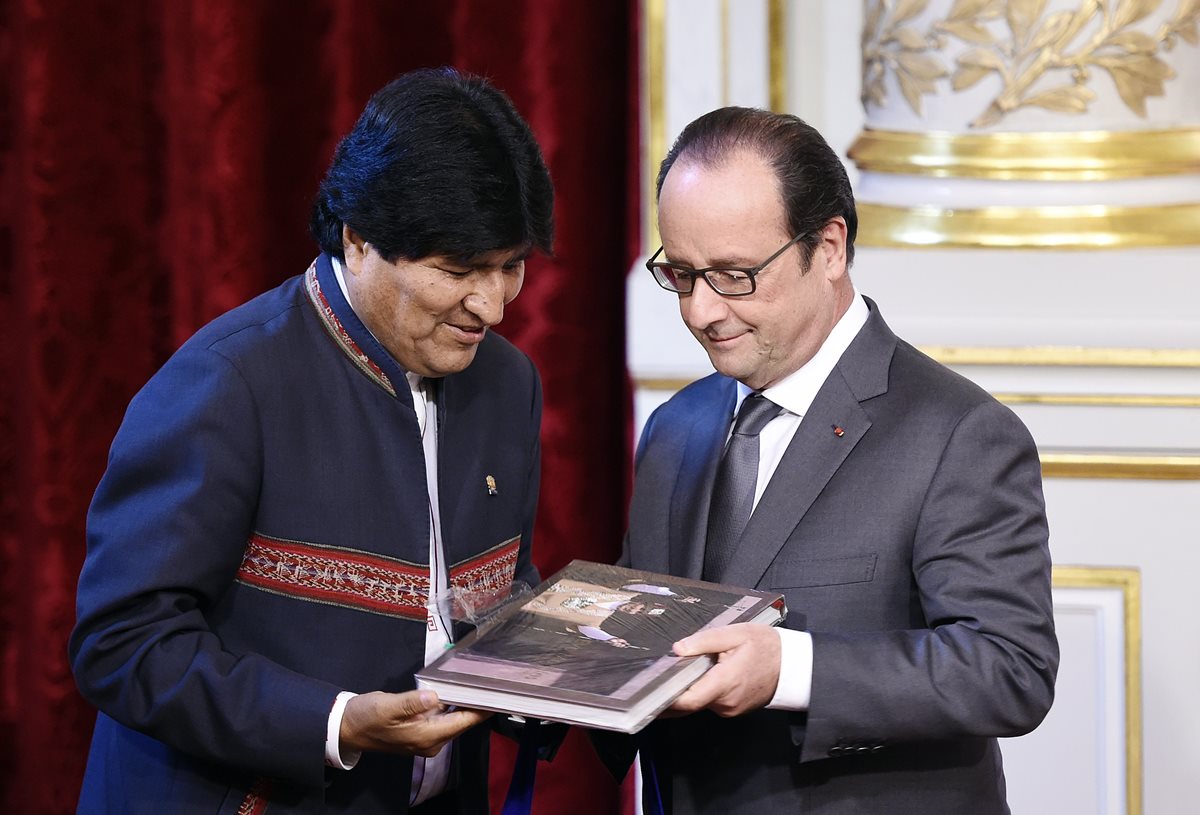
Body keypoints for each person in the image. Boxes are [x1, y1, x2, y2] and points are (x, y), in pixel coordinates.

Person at [69, 67, 553, 815]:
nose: (490, 305)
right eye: (458, 270)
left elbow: (494, 586)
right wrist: (332, 721)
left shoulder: (507, 382)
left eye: (509, 267)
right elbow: (123, 642)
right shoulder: (228, 383)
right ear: (359, 239)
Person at [613, 107, 1058, 813]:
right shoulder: (676, 425)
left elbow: (1010, 667)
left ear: (828, 248)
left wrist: (791, 667)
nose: (700, 310)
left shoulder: (960, 431)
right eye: (682, 273)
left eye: (733, 275)